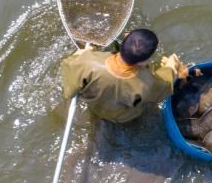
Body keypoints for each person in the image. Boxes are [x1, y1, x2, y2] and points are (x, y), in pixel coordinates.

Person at [59, 28, 189, 123]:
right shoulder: (146, 82)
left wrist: (84, 53)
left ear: (123, 42)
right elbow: (163, 89)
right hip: (123, 117)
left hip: (95, 107)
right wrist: (171, 67)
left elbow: (68, 75)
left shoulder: (87, 62)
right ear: (144, 61)